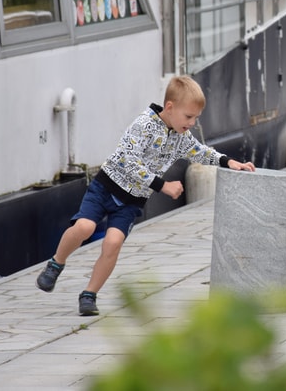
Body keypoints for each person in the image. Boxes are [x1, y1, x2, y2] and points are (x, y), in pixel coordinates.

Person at [36, 76, 256, 315]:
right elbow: (129, 160)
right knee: (85, 227)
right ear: (170, 107)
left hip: (131, 202)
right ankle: (56, 263)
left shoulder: (180, 137)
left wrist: (229, 161)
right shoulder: (144, 124)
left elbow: (199, 151)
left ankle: (89, 294)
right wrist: (162, 185)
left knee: (113, 243)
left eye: (196, 118)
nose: (192, 123)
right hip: (106, 187)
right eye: (188, 116)